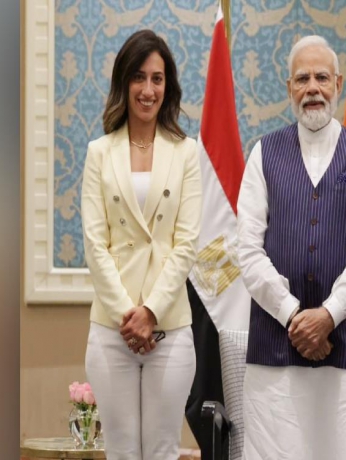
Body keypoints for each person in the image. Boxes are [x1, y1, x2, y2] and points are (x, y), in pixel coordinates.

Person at [235, 35, 346, 460]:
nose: (312, 88)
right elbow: (248, 252)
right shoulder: (263, 153)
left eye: (321, 77)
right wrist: (295, 318)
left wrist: (327, 315)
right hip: (276, 352)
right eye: (302, 78)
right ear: (289, 87)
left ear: (338, 83)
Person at [81, 29, 202, 460]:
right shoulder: (99, 152)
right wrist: (128, 318)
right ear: (123, 83)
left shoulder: (187, 152)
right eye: (138, 77)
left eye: (157, 78)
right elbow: (95, 243)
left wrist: (150, 312)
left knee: (162, 451)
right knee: (121, 452)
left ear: (167, 86)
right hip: (112, 330)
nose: (148, 90)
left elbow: (186, 243)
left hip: (169, 326)